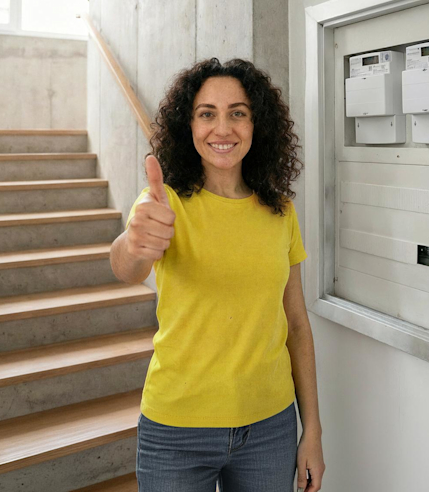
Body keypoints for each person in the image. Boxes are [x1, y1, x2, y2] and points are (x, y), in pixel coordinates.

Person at [109, 58, 325, 492]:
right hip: (177, 429)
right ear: (188, 127)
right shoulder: (164, 202)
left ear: (255, 123)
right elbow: (126, 266)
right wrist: (133, 244)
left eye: (237, 113)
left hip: (270, 427)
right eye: (206, 113)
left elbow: (297, 326)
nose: (222, 128)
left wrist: (313, 431)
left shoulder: (280, 210)